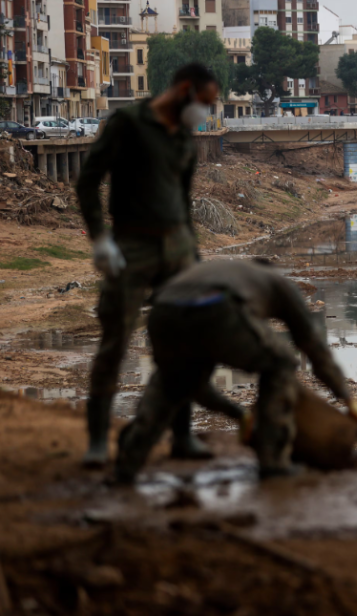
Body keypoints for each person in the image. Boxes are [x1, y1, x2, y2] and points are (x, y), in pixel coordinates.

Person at [75, 63, 221, 468]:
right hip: (132, 245)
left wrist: (192, 254)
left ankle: (182, 438)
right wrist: (99, 238)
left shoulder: (184, 138)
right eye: (205, 103)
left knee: (183, 344)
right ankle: (98, 443)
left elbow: (184, 199)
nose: (206, 113)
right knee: (115, 341)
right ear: (185, 90)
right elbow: (88, 180)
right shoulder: (128, 123)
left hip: (178, 248)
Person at [114, 260, 357, 483]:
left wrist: (238, 413)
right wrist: (346, 397)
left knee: (171, 380)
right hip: (218, 307)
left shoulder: (232, 271)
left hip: (162, 311)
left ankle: (128, 462)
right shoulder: (280, 284)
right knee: (282, 362)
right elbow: (313, 347)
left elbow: (196, 387)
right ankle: (273, 462)